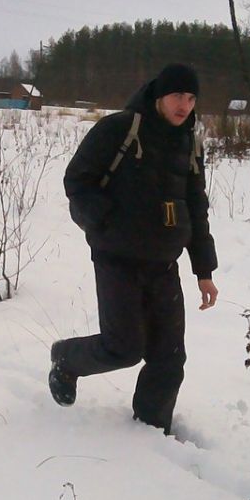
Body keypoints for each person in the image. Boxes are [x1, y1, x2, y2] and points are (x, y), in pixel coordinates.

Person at [49, 63, 218, 435]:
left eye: (191, 98)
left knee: (169, 359)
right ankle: (66, 359)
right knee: (123, 348)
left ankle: (150, 432)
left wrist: (204, 270)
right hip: (117, 259)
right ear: (160, 96)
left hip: (163, 263)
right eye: (177, 96)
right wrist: (103, 221)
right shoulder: (120, 129)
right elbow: (77, 180)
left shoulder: (190, 143)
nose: (184, 105)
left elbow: (196, 206)